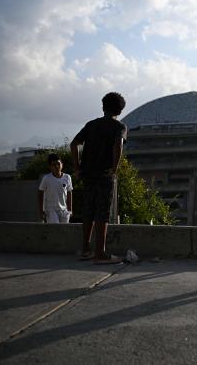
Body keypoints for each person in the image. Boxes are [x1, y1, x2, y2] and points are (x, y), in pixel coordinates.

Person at [70, 92, 127, 264]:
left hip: (87, 174)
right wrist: (114, 169)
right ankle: (100, 254)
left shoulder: (91, 125)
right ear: (120, 110)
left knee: (88, 210)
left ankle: (85, 249)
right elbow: (118, 145)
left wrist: (77, 167)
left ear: (103, 107)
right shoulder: (120, 127)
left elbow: (74, 144)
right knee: (102, 213)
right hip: (104, 174)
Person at [38, 153, 73, 223]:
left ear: (62, 164)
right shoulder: (46, 178)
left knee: (64, 230)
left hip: (64, 210)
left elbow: (69, 192)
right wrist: (41, 211)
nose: (57, 166)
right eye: (54, 165)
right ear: (50, 167)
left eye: (58, 164)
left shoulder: (67, 177)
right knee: (55, 229)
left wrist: (70, 209)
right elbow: (40, 193)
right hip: (51, 210)